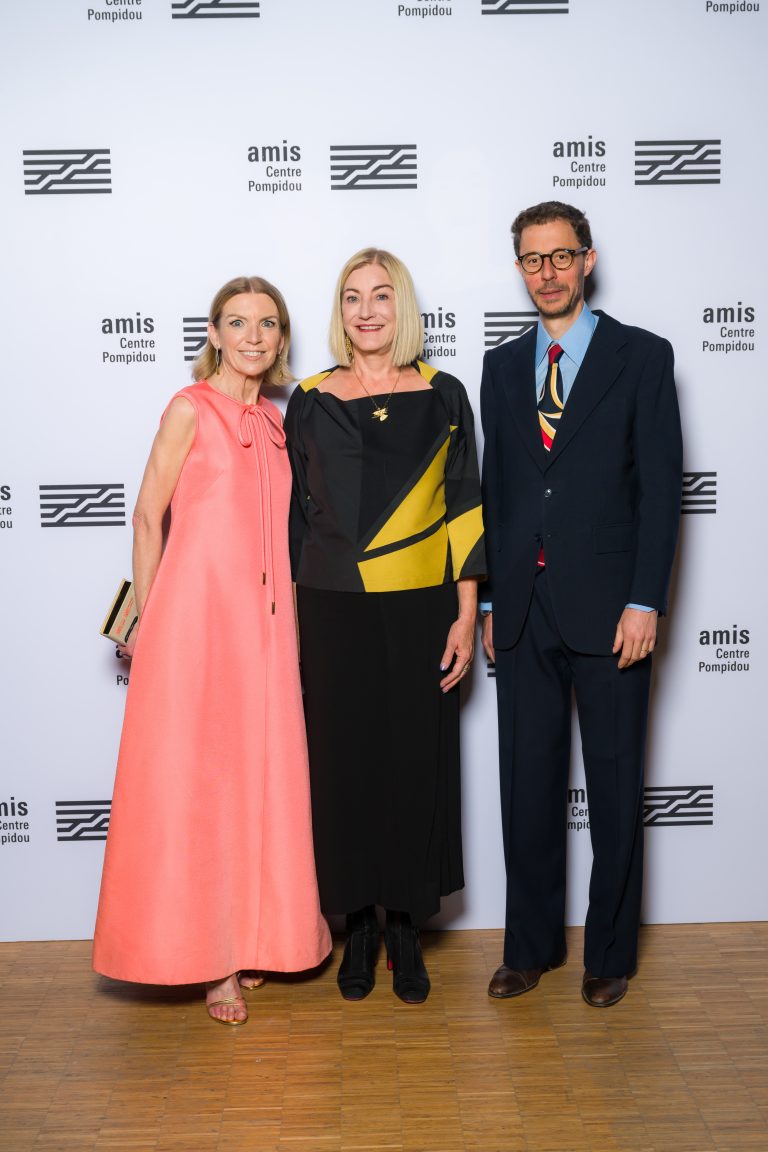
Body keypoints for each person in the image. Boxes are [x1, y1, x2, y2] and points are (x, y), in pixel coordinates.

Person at [93, 276, 331, 1025]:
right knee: (201, 792)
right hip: (196, 625)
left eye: (267, 323)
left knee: (260, 781)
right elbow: (146, 515)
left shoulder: (278, 421)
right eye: (238, 322)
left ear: (281, 337)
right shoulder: (188, 408)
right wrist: (154, 617)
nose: (253, 336)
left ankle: (254, 933)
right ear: (216, 334)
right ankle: (212, 962)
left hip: (265, 628)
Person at [480, 202, 682, 1008]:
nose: (548, 273)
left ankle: (609, 954)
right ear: (520, 269)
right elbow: (497, 496)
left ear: (588, 261)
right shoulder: (500, 367)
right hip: (524, 611)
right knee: (525, 789)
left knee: (615, 784)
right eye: (533, 260)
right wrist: (493, 600)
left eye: (561, 257)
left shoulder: (642, 356)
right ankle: (528, 948)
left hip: (611, 611)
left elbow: (662, 491)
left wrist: (645, 600)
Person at [285, 248, 484, 1004]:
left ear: (403, 307)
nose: (366, 312)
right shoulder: (308, 397)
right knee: (343, 764)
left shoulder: (443, 394)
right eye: (350, 299)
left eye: (381, 297)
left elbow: (465, 503)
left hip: (420, 604)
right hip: (330, 605)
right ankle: (358, 928)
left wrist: (467, 613)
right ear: (337, 314)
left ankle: (405, 924)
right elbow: (295, 519)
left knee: (414, 760)